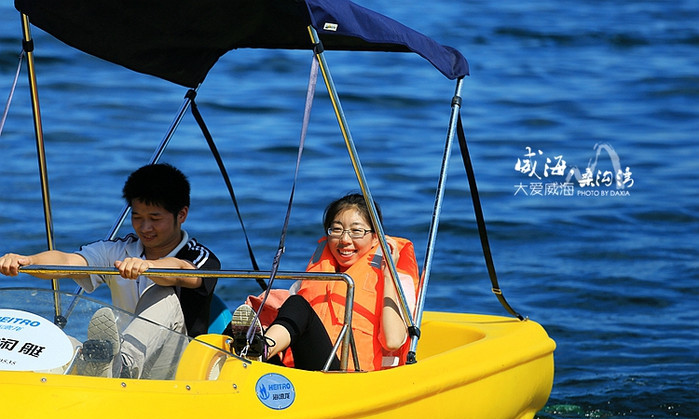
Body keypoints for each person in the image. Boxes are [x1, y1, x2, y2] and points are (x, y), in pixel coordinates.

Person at [0, 163, 220, 378]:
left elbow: (183, 270)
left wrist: (149, 266)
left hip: (176, 366)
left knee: (161, 291)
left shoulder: (199, 257)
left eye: (155, 219)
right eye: (137, 217)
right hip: (112, 361)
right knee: (54, 346)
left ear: (181, 215)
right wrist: (28, 261)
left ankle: (123, 365)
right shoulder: (119, 251)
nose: (145, 228)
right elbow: (67, 260)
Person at [229, 193, 419, 372]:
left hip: (351, 377)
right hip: (308, 369)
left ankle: (261, 350)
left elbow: (393, 341)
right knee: (238, 326)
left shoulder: (397, 282)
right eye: (336, 229)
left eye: (356, 231)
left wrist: (388, 277)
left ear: (375, 238)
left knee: (297, 305)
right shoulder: (317, 275)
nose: (345, 239)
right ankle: (236, 357)